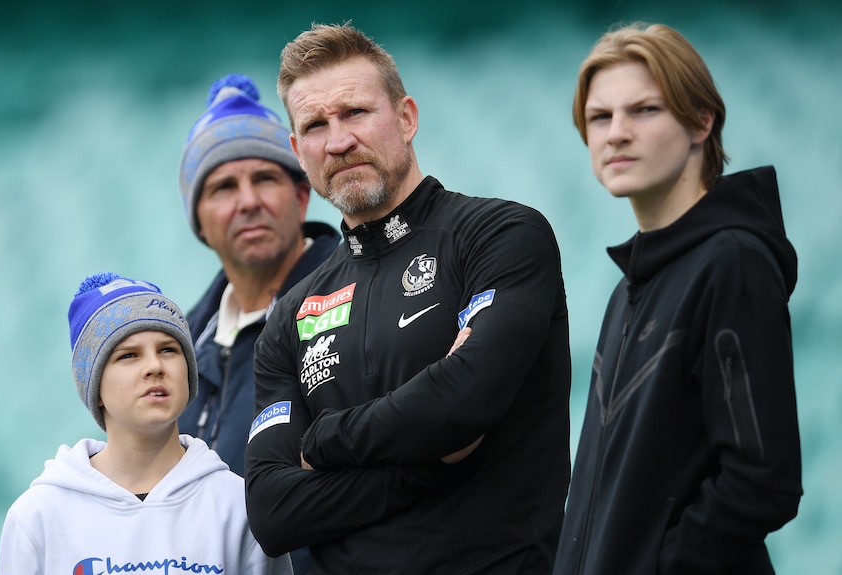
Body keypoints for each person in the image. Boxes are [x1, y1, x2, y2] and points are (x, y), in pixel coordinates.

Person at [244, 23, 572, 574]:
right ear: (300, 152)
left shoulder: (499, 234)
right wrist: (430, 464)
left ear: (406, 118)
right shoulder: (291, 315)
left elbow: (465, 400)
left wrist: (323, 440)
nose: (339, 140)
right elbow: (273, 513)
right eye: (316, 126)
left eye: (355, 113)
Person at [554, 23, 802, 575]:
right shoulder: (628, 288)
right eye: (600, 117)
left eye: (644, 110)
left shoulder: (732, 262)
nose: (616, 133)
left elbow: (764, 480)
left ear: (700, 121)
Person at [0, 272, 291, 575]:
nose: (154, 366)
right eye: (129, 355)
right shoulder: (39, 516)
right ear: (94, 387)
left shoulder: (237, 506)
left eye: (168, 349)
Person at [177, 73, 340, 574]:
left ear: (301, 196)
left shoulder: (358, 298)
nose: (248, 201)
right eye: (224, 187)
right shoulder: (177, 348)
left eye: (265, 179)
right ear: (199, 221)